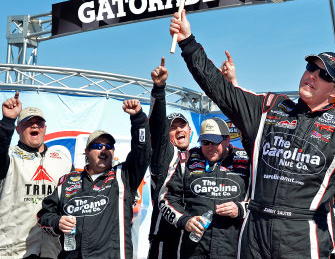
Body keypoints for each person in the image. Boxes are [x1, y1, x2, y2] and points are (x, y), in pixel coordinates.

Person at [169, 10, 335, 259]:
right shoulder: (270, 107)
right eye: (311, 68)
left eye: (324, 75)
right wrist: (188, 41)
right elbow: (218, 88)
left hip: (302, 234)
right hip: (255, 232)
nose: (312, 76)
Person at [37, 99, 151, 259]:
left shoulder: (123, 176)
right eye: (97, 146)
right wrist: (57, 222)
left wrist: (138, 118)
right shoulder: (68, 181)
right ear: (87, 151)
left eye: (109, 146)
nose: (103, 150)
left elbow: (142, 149)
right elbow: (44, 215)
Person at [160, 117, 251, 258]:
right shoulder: (186, 160)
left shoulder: (245, 161)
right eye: (205, 142)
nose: (210, 147)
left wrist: (241, 209)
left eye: (215, 142)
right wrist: (185, 220)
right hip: (193, 249)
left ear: (227, 140)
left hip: (232, 249)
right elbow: (165, 198)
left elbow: (263, 200)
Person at [0, 92, 73, 259]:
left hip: (51, 250)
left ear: (45, 128)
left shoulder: (62, 160)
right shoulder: (9, 157)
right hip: (13, 250)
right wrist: (8, 121)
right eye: (28, 123)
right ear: (18, 129)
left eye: (39, 123)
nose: (35, 126)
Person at [147, 58, 194, 258]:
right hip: (165, 239)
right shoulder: (164, 154)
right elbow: (157, 124)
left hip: (193, 237)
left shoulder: (199, 157)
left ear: (190, 131)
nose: (178, 130)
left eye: (182, 126)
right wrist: (159, 88)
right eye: (173, 128)